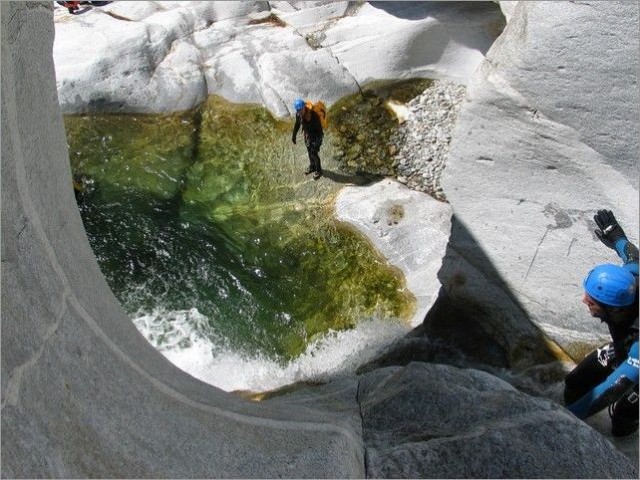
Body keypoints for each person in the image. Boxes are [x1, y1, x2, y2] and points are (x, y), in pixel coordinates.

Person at [565, 209, 639, 437]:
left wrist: (562, 419)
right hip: (624, 346)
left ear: (614, 308)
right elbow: (632, 256)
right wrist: (617, 236)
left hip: (633, 355)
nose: (584, 300)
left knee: (624, 415)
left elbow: (611, 389)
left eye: (592, 302)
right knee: (576, 381)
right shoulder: (632, 278)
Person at [291, 98, 324, 180]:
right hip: (308, 135)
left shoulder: (313, 115)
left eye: (301, 109)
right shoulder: (299, 115)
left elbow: (319, 130)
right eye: (298, 110)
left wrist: (317, 142)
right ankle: (312, 166)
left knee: (314, 153)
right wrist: (294, 135)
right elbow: (297, 125)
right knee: (309, 151)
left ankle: (319, 170)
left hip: (316, 136)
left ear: (304, 107)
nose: (299, 111)